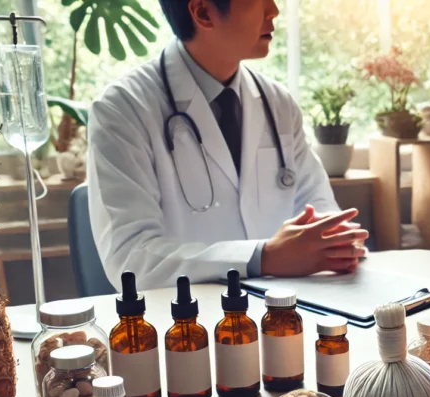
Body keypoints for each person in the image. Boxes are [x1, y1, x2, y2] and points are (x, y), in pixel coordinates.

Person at [87, 0, 368, 290]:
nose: (273, 10)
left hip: (286, 311)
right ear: (203, 13)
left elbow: (320, 208)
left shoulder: (278, 103)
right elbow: (131, 258)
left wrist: (338, 243)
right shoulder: (123, 110)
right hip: (185, 322)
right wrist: (264, 257)